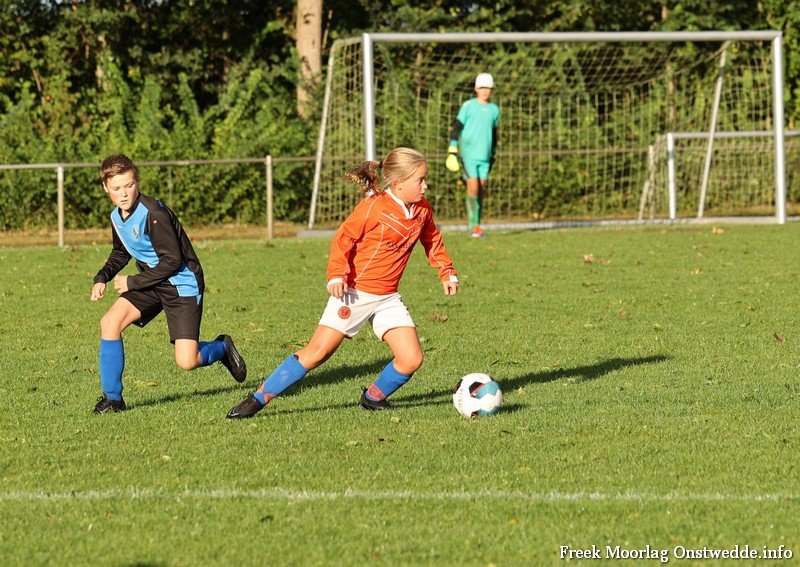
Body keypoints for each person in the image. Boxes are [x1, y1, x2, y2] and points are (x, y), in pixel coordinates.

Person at [227, 147, 459, 419]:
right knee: (318, 352)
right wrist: (337, 274)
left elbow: (432, 239)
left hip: (387, 297)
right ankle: (258, 399)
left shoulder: (422, 209)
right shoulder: (374, 207)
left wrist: (447, 272)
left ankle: (373, 397)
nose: (425, 185)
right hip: (354, 292)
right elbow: (344, 238)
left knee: (411, 359)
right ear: (398, 183)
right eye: (420, 180)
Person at [90, 153, 246, 413]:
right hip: (152, 281)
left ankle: (222, 347)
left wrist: (133, 282)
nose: (124, 194)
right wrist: (101, 277)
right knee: (109, 323)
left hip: (180, 285)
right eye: (116, 188)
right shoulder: (117, 217)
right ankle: (113, 399)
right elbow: (121, 252)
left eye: (129, 185)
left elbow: (172, 261)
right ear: (106, 187)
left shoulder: (154, 213)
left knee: (187, 361)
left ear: (137, 181)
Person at [447, 72, 500, 238]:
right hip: (468, 154)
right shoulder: (468, 106)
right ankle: (473, 226)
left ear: (492, 90)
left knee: (481, 189)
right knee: (473, 187)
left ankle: (477, 224)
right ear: (476, 88)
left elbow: (494, 133)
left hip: (485, 156)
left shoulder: (494, 109)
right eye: (482, 87)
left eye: (488, 88)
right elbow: (457, 126)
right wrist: (453, 147)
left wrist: (493, 152)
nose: (485, 91)